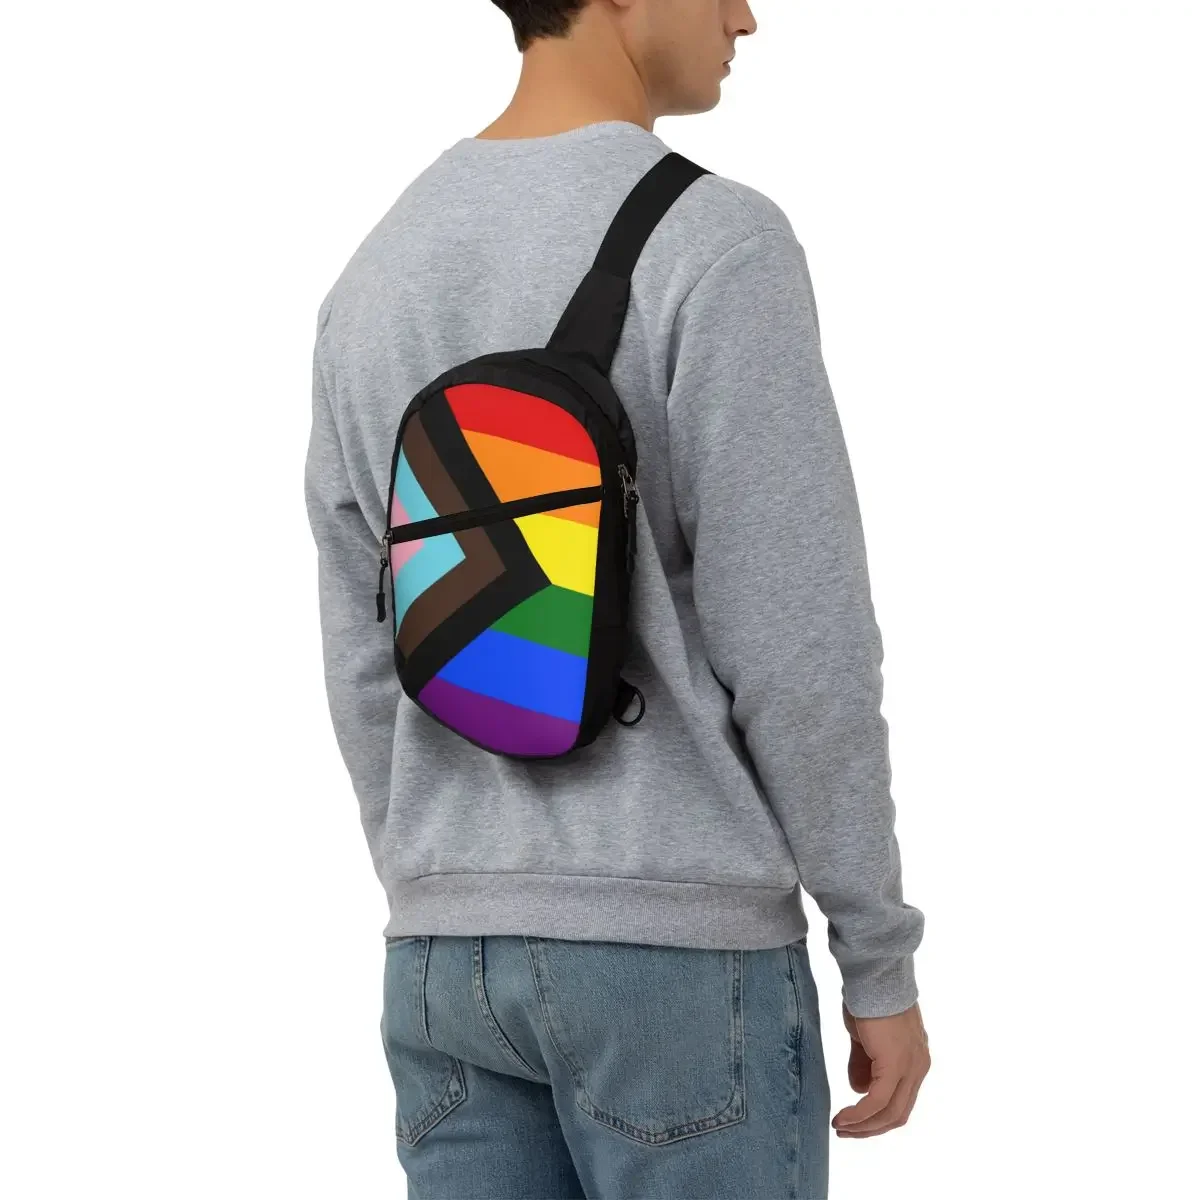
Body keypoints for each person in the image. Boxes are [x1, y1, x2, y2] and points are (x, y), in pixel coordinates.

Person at [303, 1, 929, 1195]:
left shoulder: (374, 273)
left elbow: (361, 649)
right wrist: (877, 955)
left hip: (441, 964)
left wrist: (440, 877)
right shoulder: (718, 242)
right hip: (676, 955)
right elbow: (801, 648)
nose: (747, 16)